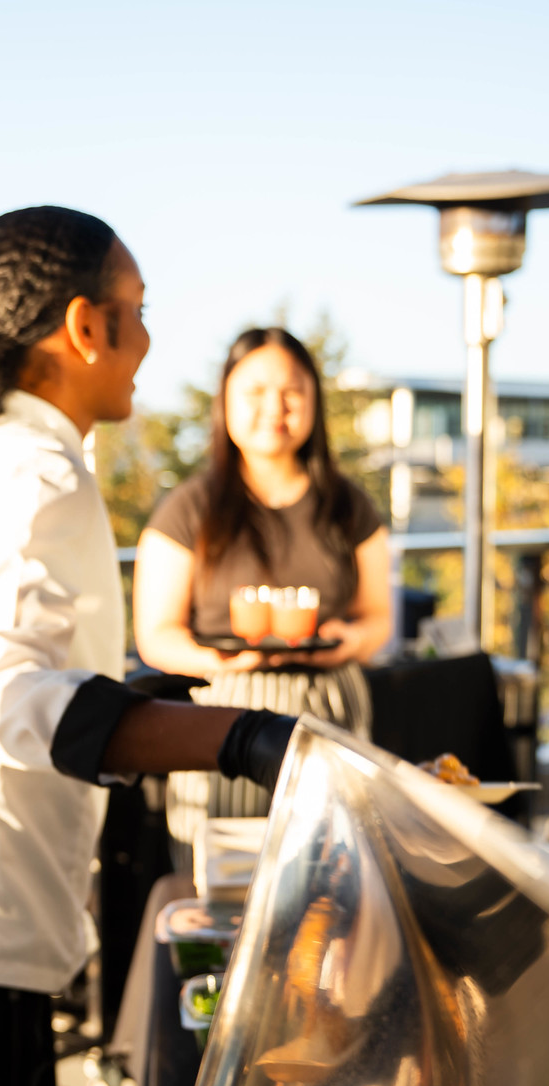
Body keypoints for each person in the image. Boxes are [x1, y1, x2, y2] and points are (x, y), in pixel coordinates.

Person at [0, 208, 299, 1086]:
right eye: (137, 310)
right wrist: (244, 739)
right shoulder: (35, 472)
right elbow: (2, 695)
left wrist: (131, 693)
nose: (148, 339)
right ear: (83, 327)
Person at [133, 326, 392, 842]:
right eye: (255, 391)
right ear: (225, 400)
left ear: (314, 402)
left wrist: (351, 641)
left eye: (292, 391)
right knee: (224, 882)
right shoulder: (188, 508)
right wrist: (220, 661)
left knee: (333, 865)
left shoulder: (349, 506)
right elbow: (156, 635)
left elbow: (378, 618)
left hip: (330, 707)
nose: (275, 406)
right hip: (223, 712)